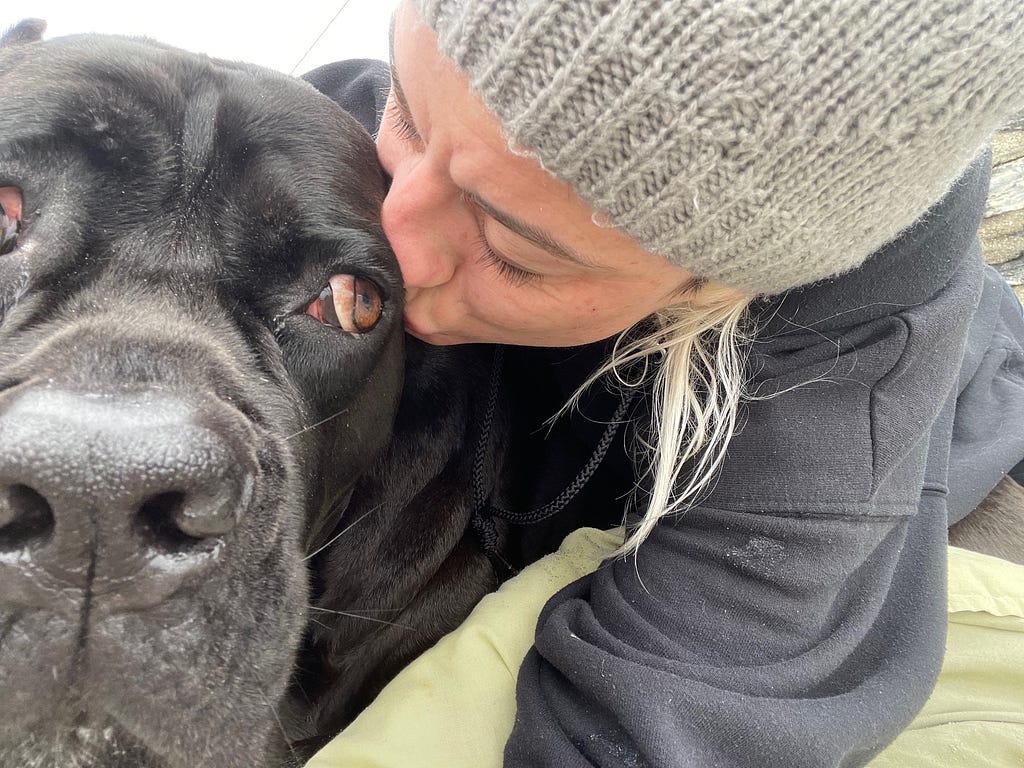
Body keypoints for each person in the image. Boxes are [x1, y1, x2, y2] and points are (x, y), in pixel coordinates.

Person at [301, 1, 1024, 765]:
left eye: (515, 250)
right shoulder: (378, 131)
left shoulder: (849, 359)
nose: (396, 247)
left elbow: (670, 722)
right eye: (409, 115)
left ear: (713, 287)